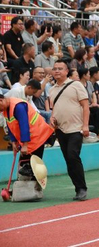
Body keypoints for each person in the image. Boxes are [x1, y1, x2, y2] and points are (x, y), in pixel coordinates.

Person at [48, 61, 90, 201]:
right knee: (68, 160)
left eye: (60, 68)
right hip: (60, 129)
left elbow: (85, 106)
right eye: (55, 69)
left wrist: (85, 125)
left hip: (76, 128)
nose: (57, 71)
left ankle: (82, 188)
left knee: (73, 156)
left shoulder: (76, 85)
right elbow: (55, 107)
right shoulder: (52, 90)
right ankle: (78, 188)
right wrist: (52, 117)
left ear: (67, 71)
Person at [0, 94, 54, 178]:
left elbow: (24, 125)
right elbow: (10, 125)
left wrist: (25, 145)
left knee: (33, 167)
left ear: (1, 100)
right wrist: (14, 141)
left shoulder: (18, 106)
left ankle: (35, 183)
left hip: (37, 136)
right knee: (24, 165)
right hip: (28, 138)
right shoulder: (5, 110)